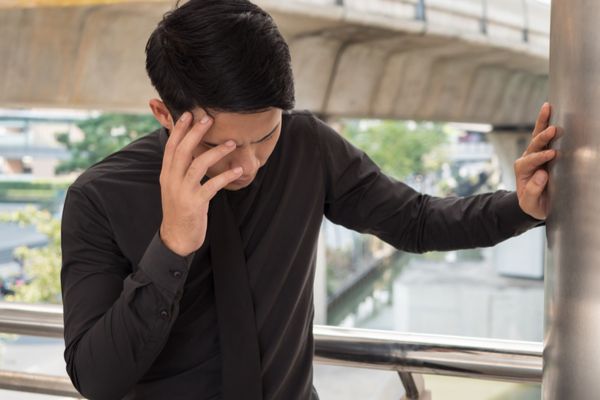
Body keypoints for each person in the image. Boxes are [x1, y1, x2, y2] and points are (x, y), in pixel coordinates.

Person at [59, 0, 556, 399]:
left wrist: (521, 207)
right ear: (165, 114)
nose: (249, 166)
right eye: (221, 146)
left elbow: (415, 221)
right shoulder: (99, 197)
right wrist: (171, 246)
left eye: (265, 136)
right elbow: (96, 379)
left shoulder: (307, 145)